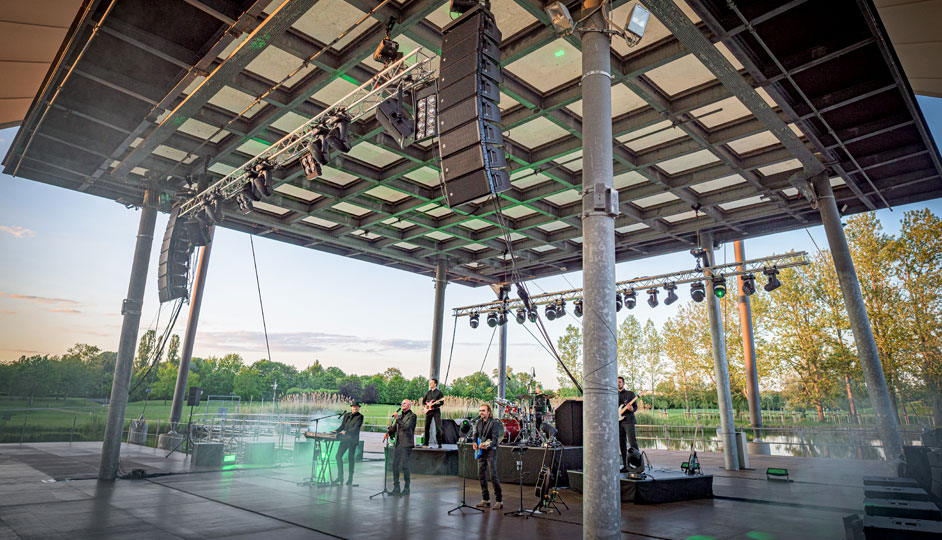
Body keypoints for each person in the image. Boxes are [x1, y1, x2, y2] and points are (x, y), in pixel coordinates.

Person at [470, 403, 503, 509]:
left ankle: (499, 500)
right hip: (481, 451)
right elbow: (475, 435)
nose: (481, 412)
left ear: (489, 412)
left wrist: (487, 446)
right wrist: (474, 443)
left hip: (491, 451)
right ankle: (485, 499)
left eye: (483, 410)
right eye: (480, 410)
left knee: (493, 475)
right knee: (481, 475)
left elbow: (495, 440)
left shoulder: (494, 423)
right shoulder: (478, 422)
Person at [384, 398, 416, 495]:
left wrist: (397, 419)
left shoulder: (412, 416)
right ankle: (396, 487)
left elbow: (406, 427)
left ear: (409, 405)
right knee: (395, 465)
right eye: (402, 403)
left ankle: (407, 488)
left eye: (404, 403)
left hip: (406, 444)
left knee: (405, 466)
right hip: (398, 444)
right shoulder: (401, 416)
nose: (402, 404)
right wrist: (388, 433)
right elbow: (395, 428)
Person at [332, 401, 363, 485]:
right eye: (354, 406)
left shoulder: (360, 417)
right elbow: (342, 426)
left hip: (353, 440)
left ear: (358, 408)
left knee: (350, 458)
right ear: (351, 407)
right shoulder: (346, 415)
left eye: (357, 407)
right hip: (345, 439)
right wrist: (336, 431)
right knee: (338, 456)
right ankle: (340, 477)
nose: (355, 408)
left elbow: (356, 428)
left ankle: (350, 478)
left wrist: (346, 432)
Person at [617, 376, 640, 473]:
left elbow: (635, 407)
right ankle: (626, 466)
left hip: (629, 421)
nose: (618, 383)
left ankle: (638, 465)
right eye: (617, 382)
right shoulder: (613, 395)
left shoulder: (630, 394)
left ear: (623, 383)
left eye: (620, 382)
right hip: (618, 422)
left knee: (632, 443)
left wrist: (631, 409)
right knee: (622, 444)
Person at [421, 378, 445, 448]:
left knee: (438, 427)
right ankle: (426, 443)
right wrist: (425, 405)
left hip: (436, 411)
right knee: (426, 427)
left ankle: (439, 443)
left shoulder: (439, 393)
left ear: (435, 384)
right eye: (430, 383)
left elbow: (442, 402)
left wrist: (438, 403)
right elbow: (423, 401)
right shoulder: (428, 392)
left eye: (431, 383)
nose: (430, 384)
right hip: (428, 411)